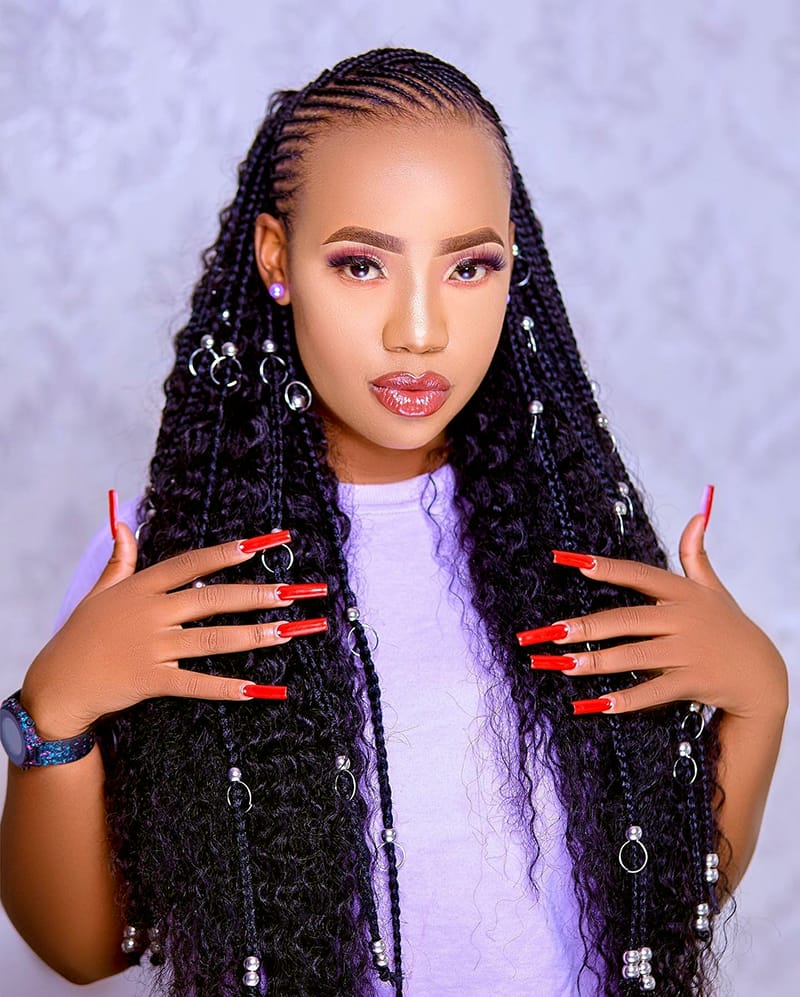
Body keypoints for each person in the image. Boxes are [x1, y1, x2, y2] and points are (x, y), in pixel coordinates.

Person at [0, 46, 788, 997]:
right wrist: (52, 713)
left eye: (470, 266)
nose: (419, 329)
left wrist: (760, 695)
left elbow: (655, 898)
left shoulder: (575, 553)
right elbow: (84, 950)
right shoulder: (178, 575)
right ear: (276, 259)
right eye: (363, 263)